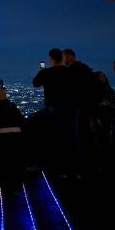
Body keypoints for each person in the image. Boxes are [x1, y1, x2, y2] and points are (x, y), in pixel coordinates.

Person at [33, 48, 77, 178]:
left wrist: (41, 71)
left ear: (51, 59)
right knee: (72, 137)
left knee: (58, 138)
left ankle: (61, 170)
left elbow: (35, 83)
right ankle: (75, 169)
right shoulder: (70, 71)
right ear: (61, 58)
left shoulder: (47, 72)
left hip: (54, 108)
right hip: (71, 108)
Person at [0, 80, 25, 192]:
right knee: (15, 164)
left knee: (4, 165)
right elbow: (22, 122)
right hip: (16, 140)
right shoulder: (13, 107)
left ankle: (5, 188)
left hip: (2, 141)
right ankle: (16, 187)